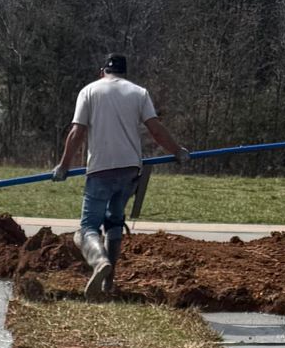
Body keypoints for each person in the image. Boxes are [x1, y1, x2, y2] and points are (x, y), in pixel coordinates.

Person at [53, 54, 186, 297]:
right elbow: (155, 129)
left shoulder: (89, 92)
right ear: (124, 72)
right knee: (114, 221)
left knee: (87, 228)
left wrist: (63, 166)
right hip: (129, 171)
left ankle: (100, 262)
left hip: (101, 169)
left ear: (102, 70)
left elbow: (77, 132)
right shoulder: (139, 93)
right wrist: (177, 151)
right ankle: (108, 283)